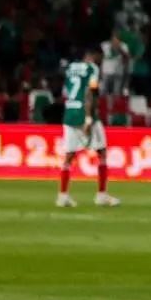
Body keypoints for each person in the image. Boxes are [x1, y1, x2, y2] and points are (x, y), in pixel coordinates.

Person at [56, 46, 116, 208]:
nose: (101, 62)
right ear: (93, 56)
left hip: (69, 113)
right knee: (102, 152)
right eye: (100, 58)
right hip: (85, 113)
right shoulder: (92, 68)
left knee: (69, 156)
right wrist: (88, 118)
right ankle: (101, 195)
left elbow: (65, 92)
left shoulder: (70, 68)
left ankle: (63, 196)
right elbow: (90, 92)